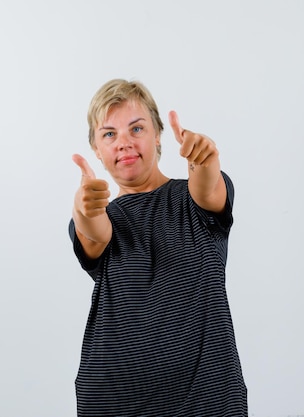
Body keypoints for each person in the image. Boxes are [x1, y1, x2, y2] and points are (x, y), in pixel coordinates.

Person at [68, 79, 247, 416]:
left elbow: (207, 188)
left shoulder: (191, 200)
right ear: (96, 149)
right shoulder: (100, 216)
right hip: (115, 401)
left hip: (207, 400)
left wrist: (204, 160)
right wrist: (84, 210)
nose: (124, 142)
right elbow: (95, 233)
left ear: (158, 135)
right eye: (109, 134)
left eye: (136, 128)